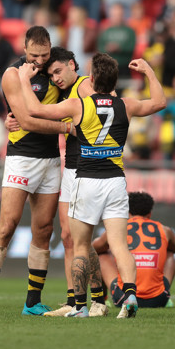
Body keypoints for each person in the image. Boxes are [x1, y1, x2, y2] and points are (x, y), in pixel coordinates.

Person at [18, 53, 167, 318]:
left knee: (81, 245)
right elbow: (159, 102)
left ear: (93, 79)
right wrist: (148, 72)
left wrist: (23, 80)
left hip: (86, 181)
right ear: (115, 80)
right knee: (120, 245)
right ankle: (130, 295)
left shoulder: (79, 105)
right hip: (115, 182)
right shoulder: (126, 105)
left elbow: (34, 110)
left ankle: (80, 306)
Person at [0, 26, 64, 317]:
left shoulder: (57, 70)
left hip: (50, 159)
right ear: (24, 49)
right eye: (34, 55)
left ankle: (32, 302)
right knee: (8, 224)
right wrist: (65, 127)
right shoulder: (12, 74)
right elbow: (26, 119)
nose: (39, 60)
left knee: (44, 230)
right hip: (22, 158)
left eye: (45, 55)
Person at [28, 47, 108, 317]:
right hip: (71, 168)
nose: (56, 78)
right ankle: (74, 301)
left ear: (73, 65)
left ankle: (96, 299)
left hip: (86, 168)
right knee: (67, 237)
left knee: (79, 237)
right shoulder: (65, 92)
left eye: (59, 71)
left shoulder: (85, 85)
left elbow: (110, 106)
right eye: (51, 75)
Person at [93, 192, 175, 308]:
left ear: (127, 211)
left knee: (101, 255)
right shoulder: (164, 229)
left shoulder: (119, 228)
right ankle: (166, 294)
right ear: (150, 213)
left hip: (123, 298)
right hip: (158, 300)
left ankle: (103, 299)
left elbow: (93, 248)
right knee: (169, 253)